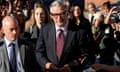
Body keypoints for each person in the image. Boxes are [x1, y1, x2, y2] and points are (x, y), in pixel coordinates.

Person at [35, 0, 89, 72]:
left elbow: (84, 55)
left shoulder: (79, 32)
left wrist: (72, 65)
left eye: (62, 14)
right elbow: (39, 52)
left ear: (67, 13)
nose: (59, 18)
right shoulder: (45, 30)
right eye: (55, 15)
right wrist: (46, 64)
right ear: (51, 15)